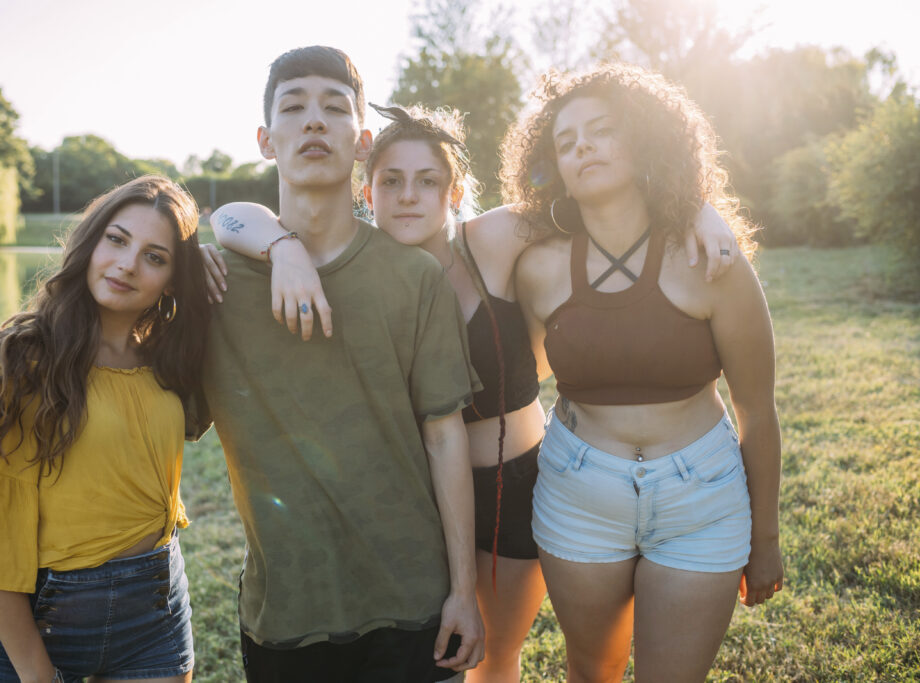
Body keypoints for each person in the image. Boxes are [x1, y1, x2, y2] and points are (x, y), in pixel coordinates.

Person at [203, 101, 738, 681]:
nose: (409, 196)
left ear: (454, 193)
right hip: (415, 496)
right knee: (440, 658)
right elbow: (232, 215)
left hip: (518, 483)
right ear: (368, 192)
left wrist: (696, 211)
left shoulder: (495, 239)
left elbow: (601, 198)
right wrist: (270, 244)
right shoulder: (350, 265)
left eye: (427, 181)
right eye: (391, 182)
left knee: (496, 654)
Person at [191, 46, 484, 682]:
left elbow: (444, 437)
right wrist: (272, 250)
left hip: (413, 604)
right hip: (287, 610)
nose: (314, 122)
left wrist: (463, 590)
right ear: (267, 141)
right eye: (293, 109)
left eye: (334, 108)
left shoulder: (415, 277)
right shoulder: (214, 284)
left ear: (363, 141)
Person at [502, 64, 784, 682]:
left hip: (701, 499)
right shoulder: (538, 269)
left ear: (644, 142)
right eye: (566, 141)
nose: (582, 147)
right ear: (554, 170)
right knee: (591, 671)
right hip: (579, 494)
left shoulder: (711, 258)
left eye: (602, 130)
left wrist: (766, 541)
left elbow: (757, 410)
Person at [0, 175, 210, 683]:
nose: (128, 264)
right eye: (117, 239)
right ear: (92, 241)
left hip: (156, 607)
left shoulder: (169, 359)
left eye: (156, 256)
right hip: (44, 616)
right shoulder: (19, 361)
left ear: (173, 278)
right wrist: (37, 674)